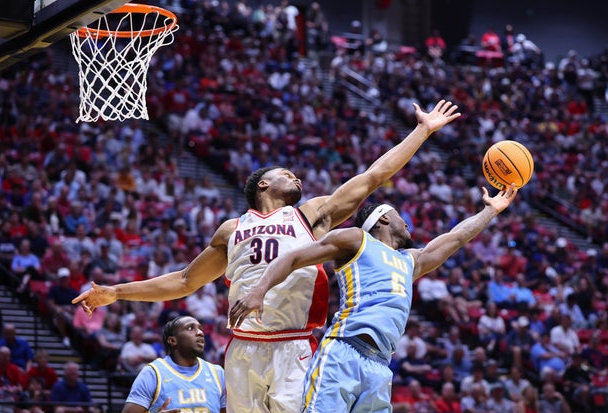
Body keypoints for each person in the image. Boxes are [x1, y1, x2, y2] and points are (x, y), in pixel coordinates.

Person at [74, 100, 462, 412]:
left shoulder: (311, 214)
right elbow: (183, 281)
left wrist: (422, 131)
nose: (298, 178)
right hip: (243, 347)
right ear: (264, 183)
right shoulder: (231, 229)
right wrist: (117, 291)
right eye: (287, 173)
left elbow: (372, 177)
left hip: (294, 343)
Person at [229, 183, 517, 412]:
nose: (408, 224)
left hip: (380, 366)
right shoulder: (356, 239)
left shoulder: (410, 260)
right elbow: (293, 258)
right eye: (402, 218)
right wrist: (259, 290)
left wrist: (489, 211)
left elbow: (454, 239)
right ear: (384, 217)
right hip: (344, 352)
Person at [122, 316, 226, 413]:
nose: (200, 333)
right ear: (172, 340)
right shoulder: (153, 373)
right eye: (190, 328)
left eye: (200, 328)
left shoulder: (218, 373)